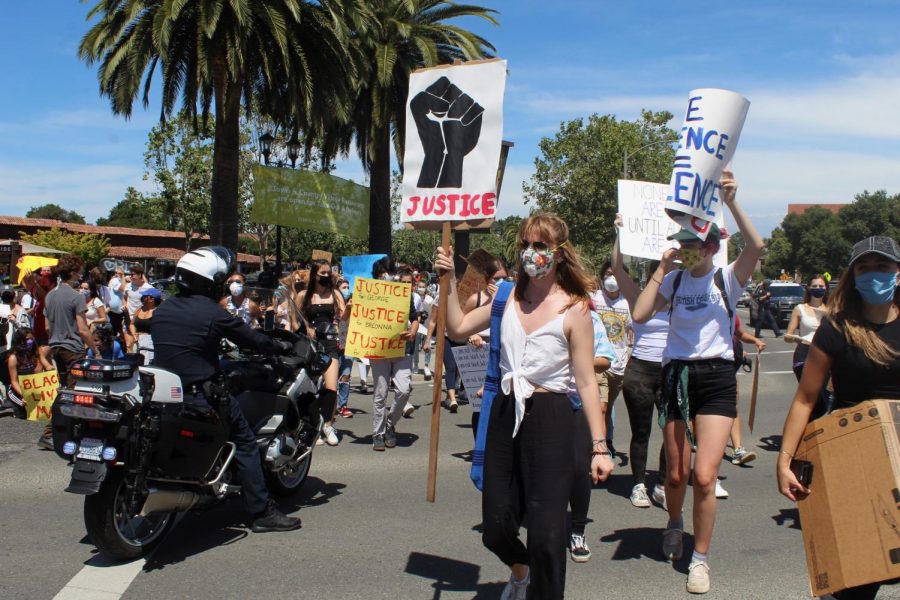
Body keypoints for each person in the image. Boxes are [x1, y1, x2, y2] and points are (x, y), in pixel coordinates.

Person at [435, 213, 615, 599]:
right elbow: (456, 327)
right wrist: (446, 280)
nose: (531, 253)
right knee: (497, 525)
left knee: (548, 537)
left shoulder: (576, 309)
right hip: (504, 413)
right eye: (526, 245)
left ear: (559, 253)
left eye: (541, 246)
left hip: (552, 419)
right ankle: (520, 569)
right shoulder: (506, 296)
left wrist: (599, 447)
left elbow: (585, 382)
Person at [632, 169, 764, 594]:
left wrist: (731, 201)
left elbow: (756, 246)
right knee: (676, 474)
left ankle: (701, 559)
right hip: (677, 376)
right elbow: (639, 315)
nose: (687, 251)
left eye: (694, 245)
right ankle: (674, 521)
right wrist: (662, 267)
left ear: (711, 246)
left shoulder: (726, 279)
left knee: (705, 476)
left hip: (717, 377)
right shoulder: (673, 278)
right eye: (682, 244)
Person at [778, 235, 900, 600]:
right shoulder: (836, 327)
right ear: (852, 275)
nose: (874, 274)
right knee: (858, 576)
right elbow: (805, 398)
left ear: (898, 271)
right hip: (854, 453)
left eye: (883, 266)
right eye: (865, 268)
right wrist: (785, 461)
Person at [151, 246, 301, 533]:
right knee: (244, 442)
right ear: (210, 282)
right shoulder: (212, 313)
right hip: (200, 395)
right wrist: (280, 345)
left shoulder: (165, 307)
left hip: (162, 393)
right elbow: (251, 339)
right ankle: (261, 511)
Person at [610, 217, 671, 509]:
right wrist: (620, 232)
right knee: (642, 431)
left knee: (673, 430)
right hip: (640, 370)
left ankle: (661, 482)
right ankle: (637, 484)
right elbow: (617, 268)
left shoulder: (681, 298)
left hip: (671, 371)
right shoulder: (637, 296)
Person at [567, 299, 615, 562]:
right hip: (541, 403)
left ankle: (577, 530)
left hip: (577, 403)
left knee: (577, 468)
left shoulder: (589, 318)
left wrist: (572, 360)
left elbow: (606, 359)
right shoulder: (537, 311)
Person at [43, 254, 100, 449]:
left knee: (65, 391)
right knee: (76, 394)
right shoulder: (76, 296)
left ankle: (62, 432)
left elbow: (47, 327)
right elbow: (83, 329)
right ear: (73, 272)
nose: (81, 274)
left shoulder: (50, 295)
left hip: (56, 346)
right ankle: (54, 433)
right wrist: (94, 348)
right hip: (73, 348)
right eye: (79, 271)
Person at [367, 263, 419, 451]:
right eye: (382, 275)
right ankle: (378, 433)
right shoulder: (370, 295)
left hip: (402, 348)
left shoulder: (406, 296)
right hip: (380, 350)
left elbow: (414, 318)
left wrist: (412, 332)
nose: (386, 278)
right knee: (380, 393)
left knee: (404, 390)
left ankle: (390, 423)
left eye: (388, 275)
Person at [299, 259, 346, 446]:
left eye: (329, 273)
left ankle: (328, 424)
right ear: (314, 275)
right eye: (323, 273)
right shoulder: (303, 295)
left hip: (329, 343)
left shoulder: (335, 294)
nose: (327, 276)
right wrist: (306, 326)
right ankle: (312, 424)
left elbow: (343, 316)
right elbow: (296, 317)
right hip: (309, 345)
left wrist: (347, 310)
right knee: (309, 388)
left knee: (331, 388)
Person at [463, 257, 509, 436]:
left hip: (502, 354)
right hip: (479, 355)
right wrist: (472, 335)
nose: (500, 282)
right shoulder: (476, 299)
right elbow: (461, 326)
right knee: (480, 405)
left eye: (504, 277)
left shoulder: (512, 298)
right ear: (486, 279)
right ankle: (480, 445)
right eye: (496, 278)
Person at [592, 260, 634, 457]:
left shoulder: (628, 303)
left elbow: (634, 331)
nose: (612, 278)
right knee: (600, 406)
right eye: (608, 273)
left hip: (620, 364)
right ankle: (599, 448)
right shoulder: (594, 299)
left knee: (607, 408)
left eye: (616, 274)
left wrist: (631, 355)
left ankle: (605, 441)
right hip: (599, 362)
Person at [784, 274, 833, 417]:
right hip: (804, 353)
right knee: (810, 394)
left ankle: (809, 429)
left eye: (821, 286)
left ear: (826, 289)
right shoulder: (800, 309)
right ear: (808, 288)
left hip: (825, 355)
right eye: (814, 286)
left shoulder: (831, 310)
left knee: (824, 396)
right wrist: (795, 338)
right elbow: (788, 335)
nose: (818, 289)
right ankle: (804, 430)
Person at [4, 327, 54, 419]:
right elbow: (14, 382)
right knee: (22, 417)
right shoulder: (13, 358)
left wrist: (50, 369)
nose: (30, 341)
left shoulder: (35, 352)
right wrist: (25, 395)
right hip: (17, 393)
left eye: (32, 339)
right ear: (20, 341)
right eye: (27, 339)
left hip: (32, 391)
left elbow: (46, 365)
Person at [335, 279, 355, 419]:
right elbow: (342, 319)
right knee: (330, 378)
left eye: (348, 287)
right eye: (344, 287)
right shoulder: (332, 304)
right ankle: (329, 404)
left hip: (348, 345)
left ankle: (343, 405)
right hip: (333, 345)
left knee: (345, 376)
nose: (346, 289)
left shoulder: (355, 303)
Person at [130, 287, 161, 364]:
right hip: (137, 340)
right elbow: (132, 324)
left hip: (150, 341)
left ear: (151, 299)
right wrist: (134, 335)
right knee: (136, 363)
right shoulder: (139, 309)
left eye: (145, 296)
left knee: (148, 364)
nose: (142, 298)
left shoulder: (158, 312)